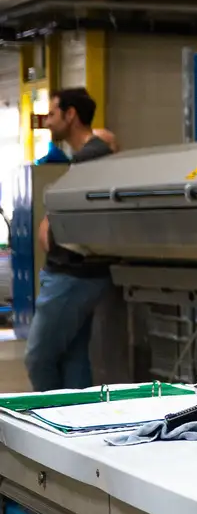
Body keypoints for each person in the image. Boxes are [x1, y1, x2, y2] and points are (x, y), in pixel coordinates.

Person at [28, 87, 118, 391]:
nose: (48, 120)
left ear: (71, 115)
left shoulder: (92, 156)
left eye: (53, 113)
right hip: (75, 273)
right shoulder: (87, 155)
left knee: (38, 358)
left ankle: (48, 416)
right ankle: (74, 419)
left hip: (72, 274)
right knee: (73, 357)